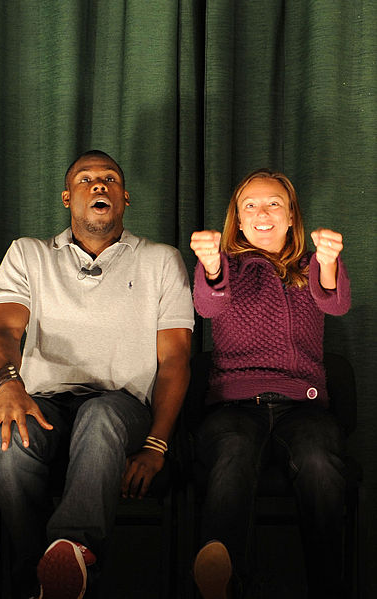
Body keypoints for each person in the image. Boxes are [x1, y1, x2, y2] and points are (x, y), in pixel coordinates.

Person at [0, 149, 194, 599]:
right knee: (5, 437)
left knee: (101, 415)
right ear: (66, 197)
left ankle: (74, 553)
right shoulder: (27, 254)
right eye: (86, 179)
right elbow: (3, 329)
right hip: (47, 405)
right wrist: (9, 384)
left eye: (110, 179)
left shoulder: (162, 260)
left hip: (123, 409)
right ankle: (38, 575)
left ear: (125, 198)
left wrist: (157, 446)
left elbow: (175, 360)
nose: (99, 185)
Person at [190, 168, 351, 599]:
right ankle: (222, 580)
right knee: (234, 452)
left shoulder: (313, 264)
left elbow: (333, 302)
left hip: (303, 409)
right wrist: (209, 266)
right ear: (238, 221)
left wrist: (330, 261)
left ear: (292, 216)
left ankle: (328, 586)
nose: (263, 212)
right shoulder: (224, 265)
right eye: (250, 206)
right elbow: (208, 304)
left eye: (274, 203)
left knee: (319, 461)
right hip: (233, 409)